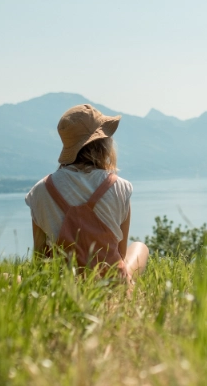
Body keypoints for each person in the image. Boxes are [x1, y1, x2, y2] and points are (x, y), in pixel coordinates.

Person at [25, 104, 148, 283]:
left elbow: (39, 257)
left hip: (65, 286)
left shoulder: (40, 190)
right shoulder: (120, 187)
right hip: (112, 283)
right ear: (103, 143)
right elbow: (120, 255)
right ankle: (130, 289)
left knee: (6, 278)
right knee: (139, 247)